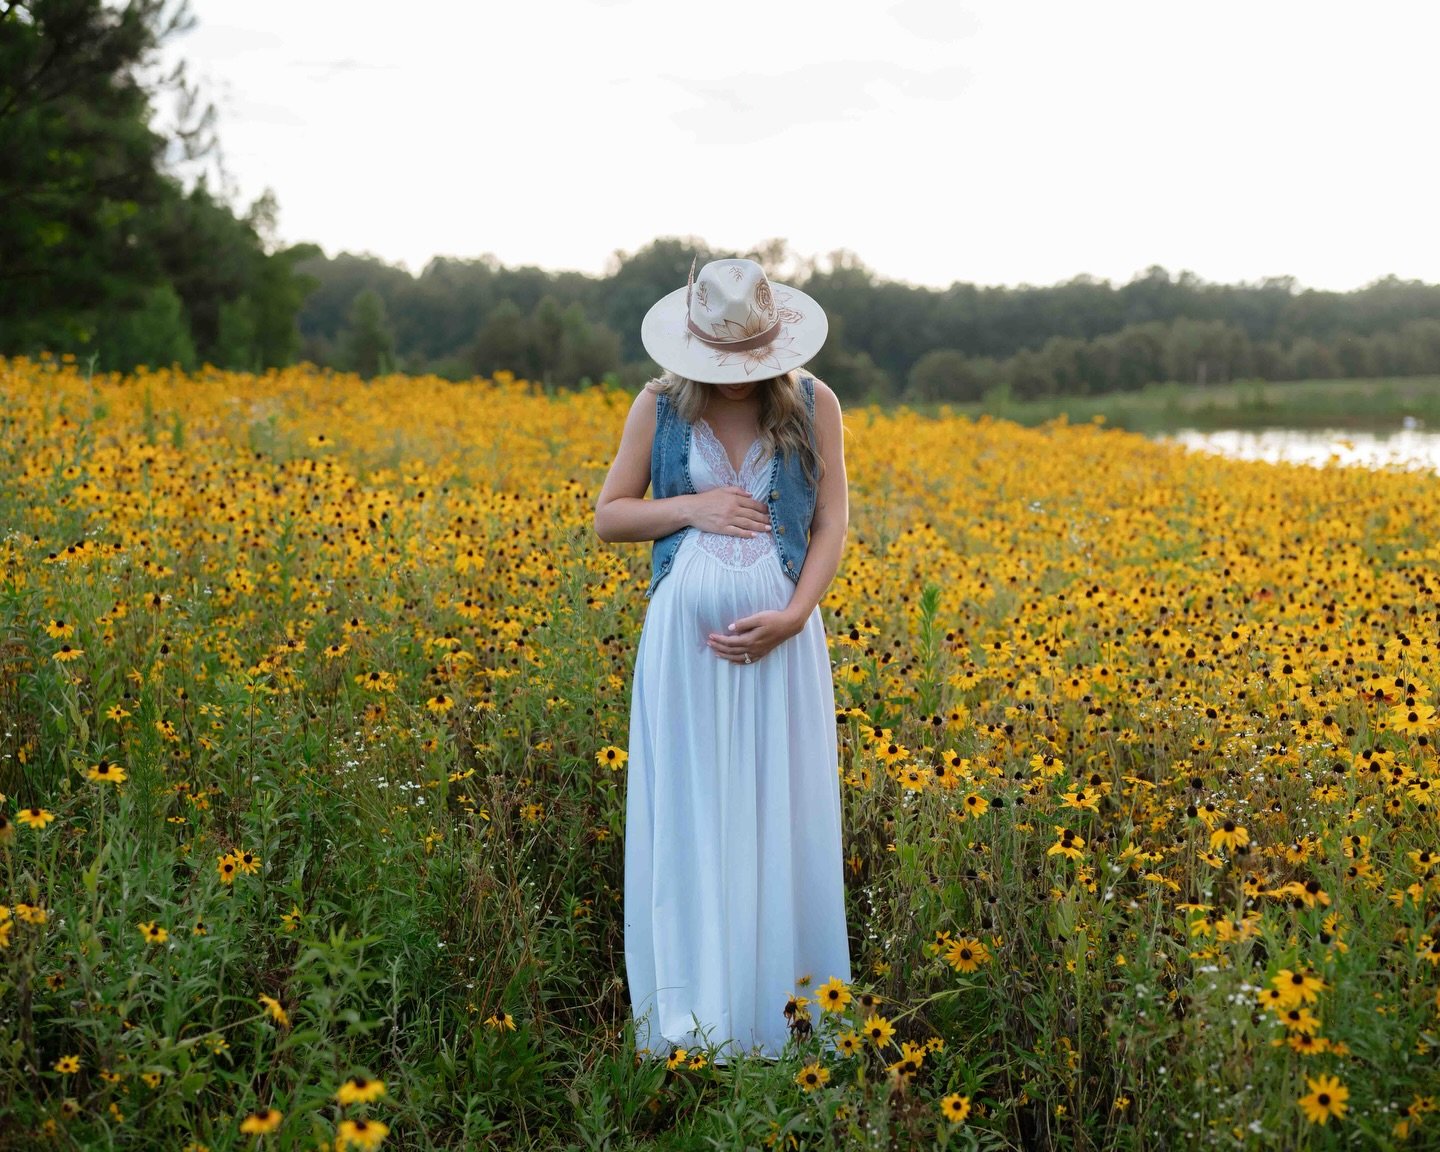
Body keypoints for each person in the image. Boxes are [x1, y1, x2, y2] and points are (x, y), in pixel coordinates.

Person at [594, 257, 852, 1062]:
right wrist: (693, 507)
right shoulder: (659, 404)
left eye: (751, 363)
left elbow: (832, 522)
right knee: (694, 815)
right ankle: (695, 1021)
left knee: (780, 814)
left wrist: (793, 615)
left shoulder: (815, 403)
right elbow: (610, 517)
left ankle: (781, 1025)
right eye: (721, 363)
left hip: (783, 650)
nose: (736, 378)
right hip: (685, 656)